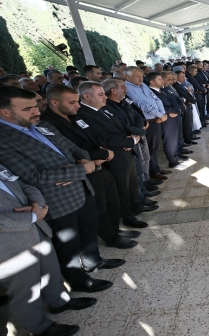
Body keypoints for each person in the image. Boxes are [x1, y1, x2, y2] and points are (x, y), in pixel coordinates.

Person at [0, 86, 122, 293]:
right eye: (28, 109)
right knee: (68, 243)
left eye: (35, 106)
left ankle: (93, 260)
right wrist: (83, 168)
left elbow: (74, 148)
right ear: (5, 112)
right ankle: (78, 280)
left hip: (80, 188)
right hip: (55, 200)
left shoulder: (41, 125)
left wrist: (82, 160)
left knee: (89, 227)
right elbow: (34, 176)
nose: (37, 111)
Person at [0, 158, 96, 336]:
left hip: (36, 228)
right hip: (3, 244)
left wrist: (37, 204)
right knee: (25, 290)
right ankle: (40, 327)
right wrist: (31, 218)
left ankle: (59, 301)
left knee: (50, 270)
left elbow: (24, 185)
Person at [41, 84, 142, 247]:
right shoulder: (48, 123)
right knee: (100, 206)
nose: (78, 105)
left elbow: (94, 135)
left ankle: (115, 230)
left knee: (112, 201)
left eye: (77, 101)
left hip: (100, 163)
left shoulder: (75, 115)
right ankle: (110, 237)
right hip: (86, 167)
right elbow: (68, 147)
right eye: (72, 102)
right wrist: (97, 155)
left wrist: (102, 151)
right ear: (54, 102)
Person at [76, 82, 157, 226]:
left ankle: (136, 205)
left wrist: (133, 136)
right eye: (100, 94)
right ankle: (127, 215)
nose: (105, 97)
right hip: (115, 156)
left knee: (131, 183)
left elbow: (122, 125)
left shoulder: (102, 109)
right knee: (122, 188)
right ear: (86, 96)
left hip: (126, 151)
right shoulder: (83, 114)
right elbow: (102, 137)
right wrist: (129, 141)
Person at [124, 67, 170, 179]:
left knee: (155, 147)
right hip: (148, 121)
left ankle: (156, 168)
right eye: (137, 76)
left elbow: (156, 99)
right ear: (128, 77)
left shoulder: (143, 85)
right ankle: (151, 173)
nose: (141, 78)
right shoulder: (128, 88)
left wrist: (162, 114)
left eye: (142, 76)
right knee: (148, 149)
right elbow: (141, 104)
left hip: (157, 119)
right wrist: (160, 115)